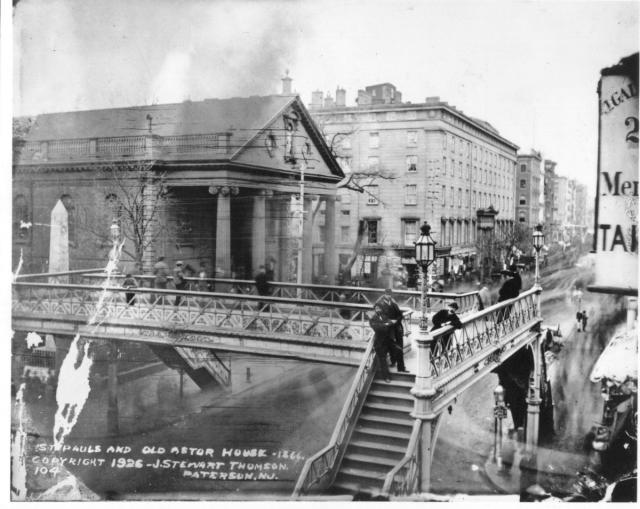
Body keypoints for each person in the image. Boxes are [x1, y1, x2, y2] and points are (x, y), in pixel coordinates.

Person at [375, 289, 407, 372]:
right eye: (387, 294)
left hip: (397, 329)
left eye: (390, 295)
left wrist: (396, 321)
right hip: (387, 330)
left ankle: (401, 368)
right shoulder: (380, 304)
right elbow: (379, 317)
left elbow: (400, 315)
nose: (389, 296)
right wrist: (390, 322)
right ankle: (389, 364)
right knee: (389, 348)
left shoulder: (394, 304)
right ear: (384, 295)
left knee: (400, 348)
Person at [369, 303, 395, 383]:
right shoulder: (372, 319)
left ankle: (392, 366)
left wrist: (384, 325)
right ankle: (386, 377)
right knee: (383, 360)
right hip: (379, 343)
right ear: (374, 310)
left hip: (387, 341)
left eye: (379, 308)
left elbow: (391, 323)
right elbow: (377, 328)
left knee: (393, 353)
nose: (378, 310)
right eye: (376, 309)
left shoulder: (384, 316)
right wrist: (385, 325)